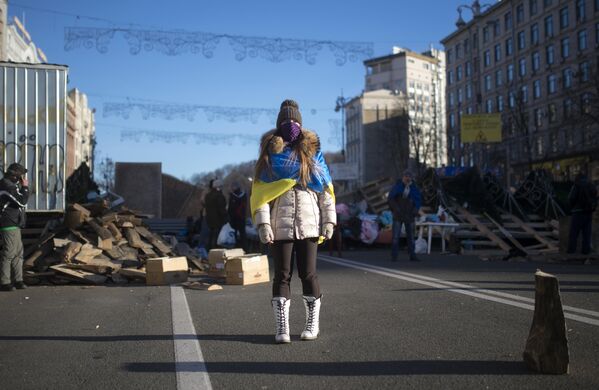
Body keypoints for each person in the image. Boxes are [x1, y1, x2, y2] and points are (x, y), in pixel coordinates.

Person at [251, 99, 336, 344]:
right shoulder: (270, 156)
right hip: (280, 225)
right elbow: (261, 196)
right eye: (286, 121)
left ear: (301, 124)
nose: (291, 124)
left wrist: (329, 221)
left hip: (309, 223)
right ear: (279, 125)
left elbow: (325, 191)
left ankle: (312, 323)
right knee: (282, 275)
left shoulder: (312, 154)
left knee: (309, 274)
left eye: (295, 121)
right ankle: (282, 327)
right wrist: (263, 224)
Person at [0, 163, 30, 291]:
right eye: (21, 175)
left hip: (15, 223)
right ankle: (5, 282)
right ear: (15, 175)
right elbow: (21, 201)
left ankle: (18, 280)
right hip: (8, 223)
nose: (22, 177)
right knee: (8, 253)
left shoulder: (11, 185)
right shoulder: (6, 185)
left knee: (18, 253)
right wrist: (25, 187)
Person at [388, 169, 422, 262]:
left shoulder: (414, 188)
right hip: (398, 215)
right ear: (403, 177)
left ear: (411, 178)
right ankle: (394, 256)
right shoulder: (398, 186)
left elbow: (418, 200)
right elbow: (391, 199)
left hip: (409, 215)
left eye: (409, 176)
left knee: (411, 237)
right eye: (406, 176)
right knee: (395, 237)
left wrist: (415, 210)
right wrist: (396, 209)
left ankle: (412, 255)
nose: (407, 178)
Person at [567, 173, 598, 255]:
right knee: (587, 234)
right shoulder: (591, 185)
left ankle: (571, 251)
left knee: (574, 233)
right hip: (588, 212)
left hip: (577, 212)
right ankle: (585, 252)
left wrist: (572, 207)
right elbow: (595, 198)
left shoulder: (576, 185)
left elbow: (571, 198)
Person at [204, 178, 227, 250]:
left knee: (210, 237)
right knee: (218, 238)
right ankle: (216, 253)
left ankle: (209, 252)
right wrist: (226, 218)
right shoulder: (219, 196)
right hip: (218, 220)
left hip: (209, 220)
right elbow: (222, 209)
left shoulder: (207, 196)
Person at [228, 181, 248, 251]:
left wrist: (229, 217)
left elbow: (230, 208)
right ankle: (245, 249)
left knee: (235, 234)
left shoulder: (232, 196)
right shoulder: (244, 195)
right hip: (242, 217)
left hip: (234, 218)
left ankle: (236, 249)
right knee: (243, 234)